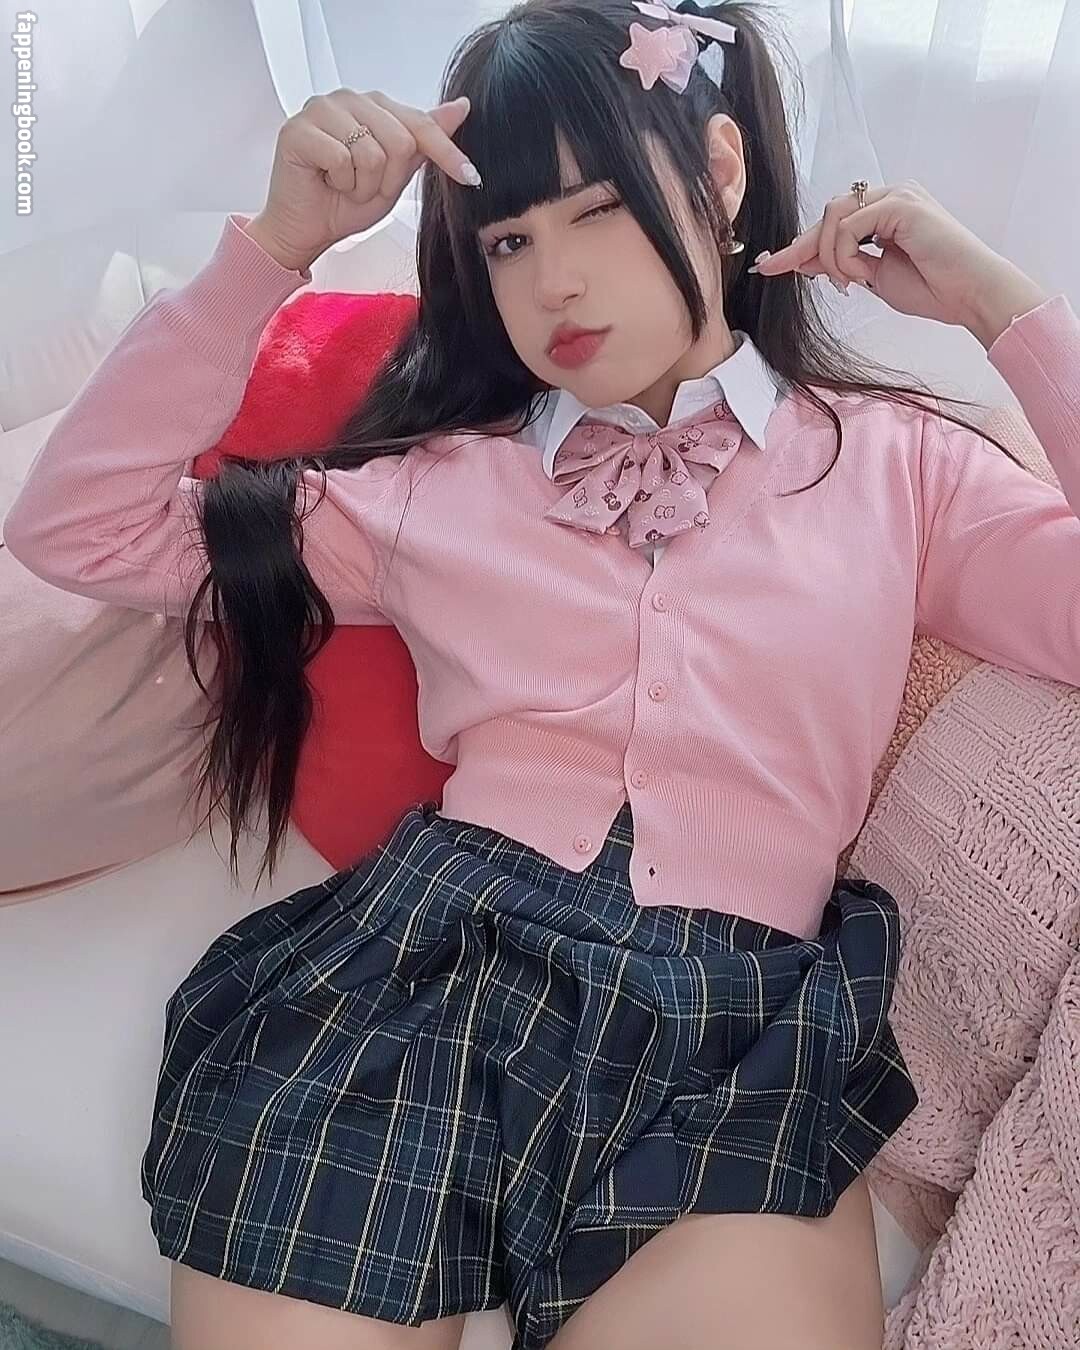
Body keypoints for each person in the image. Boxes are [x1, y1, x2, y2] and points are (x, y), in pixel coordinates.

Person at [4, 0, 1074, 1346]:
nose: (553, 281)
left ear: (722, 173)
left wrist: (994, 304)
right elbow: (79, 530)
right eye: (509, 240)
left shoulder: (899, 465)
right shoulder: (438, 486)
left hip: (731, 1031)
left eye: (596, 210)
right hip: (422, 979)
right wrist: (270, 250)